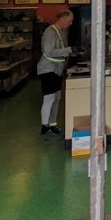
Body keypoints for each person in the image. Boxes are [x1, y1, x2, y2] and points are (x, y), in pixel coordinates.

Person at [36, 10, 74, 139]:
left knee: (56, 98)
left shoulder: (62, 32)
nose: (70, 24)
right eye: (69, 21)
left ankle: (52, 124)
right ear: (62, 19)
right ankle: (44, 128)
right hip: (48, 69)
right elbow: (49, 51)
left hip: (57, 69)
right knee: (49, 98)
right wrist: (69, 50)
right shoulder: (50, 32)